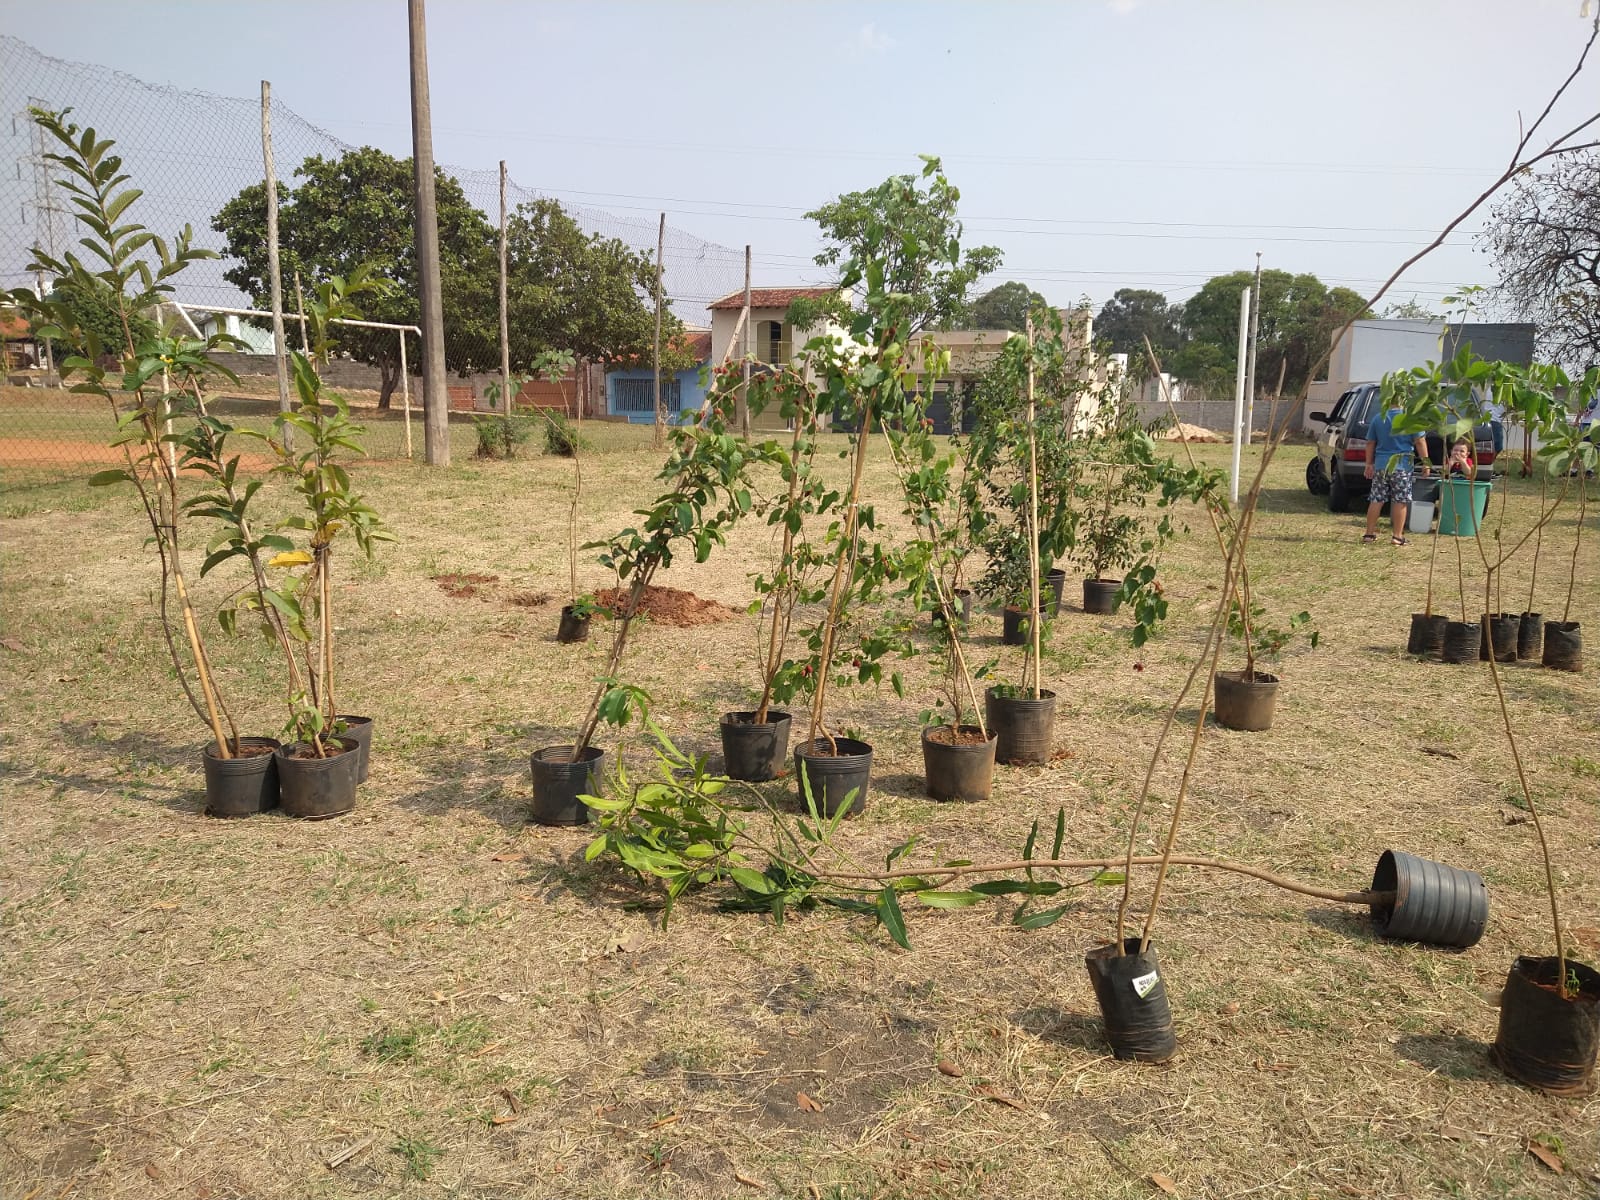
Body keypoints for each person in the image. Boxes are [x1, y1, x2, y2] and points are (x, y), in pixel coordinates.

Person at [1363, 401, 1430, 545]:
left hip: (1381, 465)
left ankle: (1369, 534)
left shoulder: (1378, 418)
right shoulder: (1410, 418)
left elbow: (1370, 443)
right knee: (1400, 501)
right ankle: (1397, 536)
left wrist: (1369, 463)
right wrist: (1426, 462)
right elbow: (1420, 441)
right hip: (1402, 466)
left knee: (1376, 499)